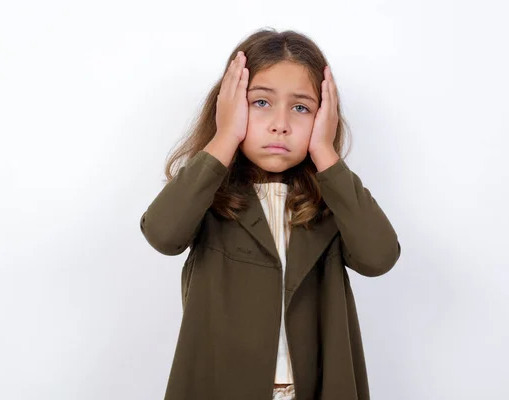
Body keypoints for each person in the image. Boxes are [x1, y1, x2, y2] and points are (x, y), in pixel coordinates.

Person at [140, 27, 402, 400]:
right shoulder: (208, 197)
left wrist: (325, 152)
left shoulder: (332, 204)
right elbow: (163, 234)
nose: (281, 123)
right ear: (229, 105)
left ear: (323, 117)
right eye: (261, 102)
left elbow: (379, 257)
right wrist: (225, 136)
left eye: (301, 108)